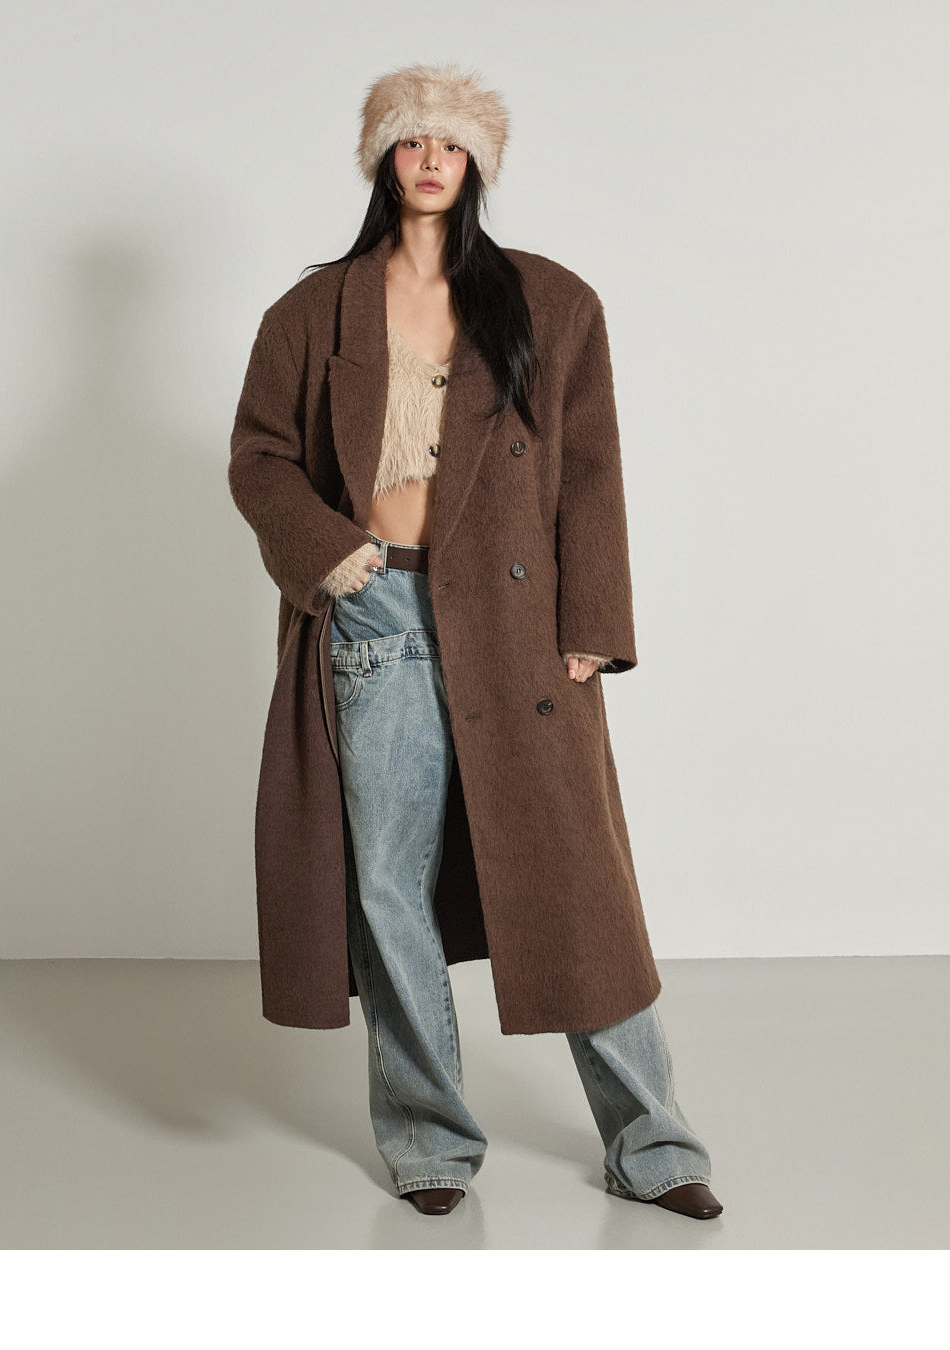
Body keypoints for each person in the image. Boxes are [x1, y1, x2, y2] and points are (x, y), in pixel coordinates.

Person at [228, 62, 723, 1220]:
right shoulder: (314, 312)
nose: (431, 160)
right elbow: (259, 458)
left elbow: (589, 470)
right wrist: (331, 553)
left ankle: (653, 1142)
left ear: (478, 162)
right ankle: (430, 1141)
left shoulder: (551, 301)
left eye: (452, 143)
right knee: (387, 888)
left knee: (578, 880)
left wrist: (592, 624)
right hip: (377, 613)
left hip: (516, 625)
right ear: (382, 157)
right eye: (412, 140)